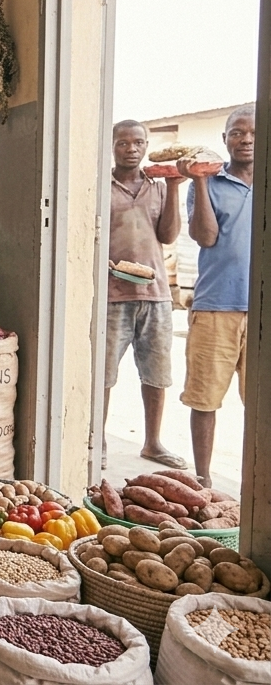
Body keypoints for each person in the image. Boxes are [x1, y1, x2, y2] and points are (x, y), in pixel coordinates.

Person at [103, 119, 185, 469]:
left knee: (156, 372)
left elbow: (167, 235)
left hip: (155, 294)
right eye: (123, 142)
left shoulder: (159, 186)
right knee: (103, 374)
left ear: (147, 145)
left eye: (138, 142)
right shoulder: (102, 185)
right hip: (113, 292)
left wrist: (175, 186)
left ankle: (153, 442)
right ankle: (97, 440)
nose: (131, 148)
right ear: (113, 146)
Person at [181, 105, 255, 486]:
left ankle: (257, 478)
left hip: (262, 312)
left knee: (260, 405)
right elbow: (206, 237)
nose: (246, 139)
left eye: (254, 133)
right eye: (237, 133)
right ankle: (203, 478)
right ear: (224, 139)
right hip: (216, 307)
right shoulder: (209, 184)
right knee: (204, 398)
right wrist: (201, 181)